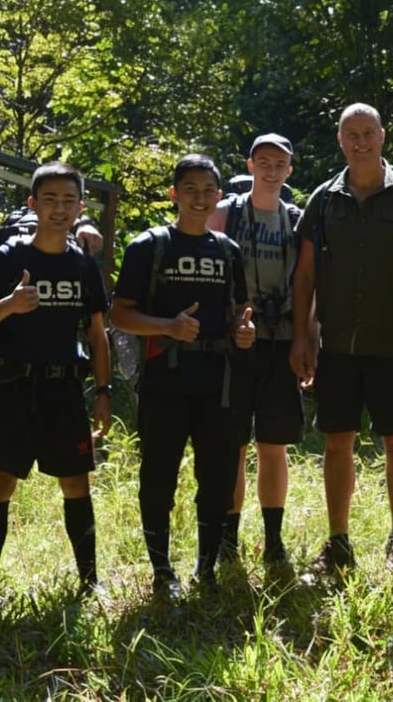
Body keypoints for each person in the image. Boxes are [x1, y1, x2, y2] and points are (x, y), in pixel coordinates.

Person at [290, 102, 393, 573]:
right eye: (351, 134)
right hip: (336, 347)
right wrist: (302, 335)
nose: (360, 142)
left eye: (368, 133)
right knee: (337, 442)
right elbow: (306, 274)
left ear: (382, 136)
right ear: (340, 140)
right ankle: (339, 542)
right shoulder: (323, 199)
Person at [110, 154, 255, 598]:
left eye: (207, 191)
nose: (198, 198)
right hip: (164, 382)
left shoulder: (228, 251)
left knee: (216, 477)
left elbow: (238, 315)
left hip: (217, 381)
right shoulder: (148, 247)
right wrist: (167, 327)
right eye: (189, 189)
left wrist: (244, 332)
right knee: (159, 476)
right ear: (174, 194)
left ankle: (206, 569)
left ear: (218, 196)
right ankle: (161, 571)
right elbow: (118, 315)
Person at [0, 162, 111, 597]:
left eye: (68, 201)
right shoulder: (7, 258)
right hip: (15, 389)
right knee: (2, 484)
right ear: (33, 204)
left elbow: (98, 334)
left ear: (80, 207)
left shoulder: (83, 265)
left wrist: (104, 393)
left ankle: (90, 583)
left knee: (76, 483)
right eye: (50, 200)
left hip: (65, 390)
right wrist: (9, 305)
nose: (59, 209)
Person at [207, 133, 305, 567]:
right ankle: (228, 539)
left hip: (281, 341)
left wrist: (309, 336)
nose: (270, 169)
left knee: (273, 444)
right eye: (263, 161)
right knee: (233, 445)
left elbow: (309, 286)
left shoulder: (297, 220)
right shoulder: (226, 213)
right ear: (249, 165)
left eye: (279, 163)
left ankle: (273, 539)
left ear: (290, 170)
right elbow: (209, 274)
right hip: (236, 345)